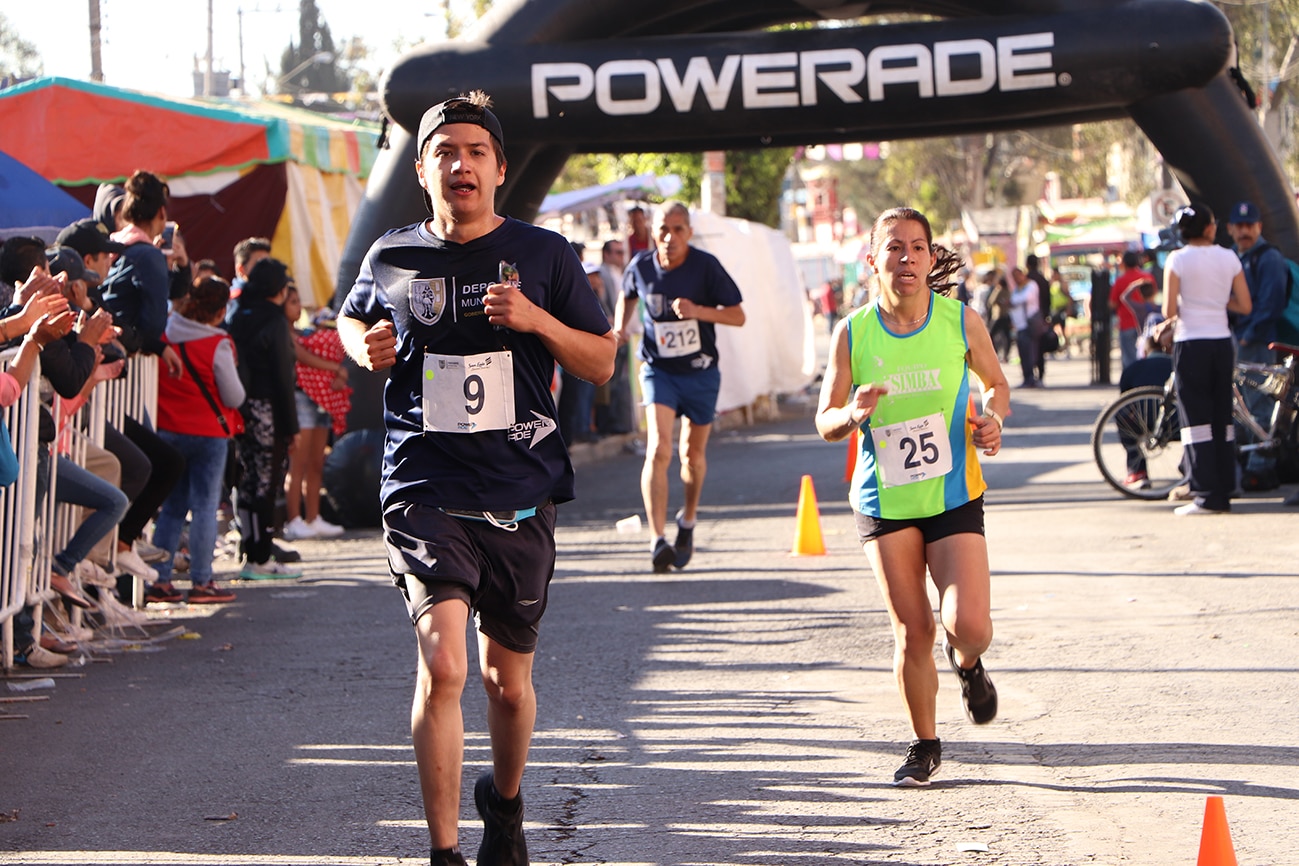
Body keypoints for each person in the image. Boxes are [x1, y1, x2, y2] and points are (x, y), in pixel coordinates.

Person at [336, 90, 615, 866]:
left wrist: (537, 321)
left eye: (475, 152)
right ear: (422, 169)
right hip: (423, 484)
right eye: (444, 152)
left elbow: (599, 360)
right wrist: (362, 344)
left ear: (497, 168)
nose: (460, 164)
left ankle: (507, 803)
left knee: (507, 685)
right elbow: (349, 316)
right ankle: (445, 852)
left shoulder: (545, 254)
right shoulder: (392, 254)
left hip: (518, 490)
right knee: (445, 662)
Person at [814, 206, 1010, 788]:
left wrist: (992, 419)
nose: (906, 258)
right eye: (894, 247)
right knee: (914, 630)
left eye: (918, 248)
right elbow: (824, 418)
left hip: (952, 494)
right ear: (873, 258)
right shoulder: (853, 331)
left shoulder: (960, 322)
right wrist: (852, 414)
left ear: (930, 259)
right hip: (883, 500)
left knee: (968, 625)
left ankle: (969, 664)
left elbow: (996, 384)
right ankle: (924, 744)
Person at [615, 201, 746, 573]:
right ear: (652, 231)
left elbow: (738, 315)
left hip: (701, 372)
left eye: (678, 229)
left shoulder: (705, 266)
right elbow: (626, 297)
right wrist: (619, 329)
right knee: (658, 448)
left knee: (693, 456)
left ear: (689, 232)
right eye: (663, 229)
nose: (670, 237)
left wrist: (698, 311)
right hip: (659, 370)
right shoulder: (640, 266)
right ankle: (657, 539)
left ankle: (687, 519)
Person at [149, 277, 245, 603]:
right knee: (205, 507)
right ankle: (202, 582)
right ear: (220, 311)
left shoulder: (164, 335)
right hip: (208, 433)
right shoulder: (218, 343)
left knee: (172, 508)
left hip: (167, 430)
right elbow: (234, 396)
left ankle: (159, 580)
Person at [1162, 203, 1252, 515]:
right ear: (1211, 228)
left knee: (1195, 421)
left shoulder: (1177, 259)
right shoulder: (1229, 258)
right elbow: (1245, 305)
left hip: (1190, 343)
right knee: (1221, 418)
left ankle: (1204, 494)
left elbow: (1169, 311)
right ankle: (1226, 488)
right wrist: (1217, 300)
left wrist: (1194, 301)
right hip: (1221, 342)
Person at [227, 257, 302, 579]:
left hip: (240, 406)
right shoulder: (274, 320)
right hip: (268, 408)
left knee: (248, 479)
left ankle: (249, 548)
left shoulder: (237, 314)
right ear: (279, 289)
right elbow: (284, 378)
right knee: (267, 482)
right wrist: (292, 426)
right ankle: (259, 556)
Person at [1225, 200, 1289, 489]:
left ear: (1259, 226)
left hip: (1260, 341)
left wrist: (1250, 334)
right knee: (1242, 408)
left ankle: (1261, 469)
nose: (1244, 231)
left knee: (1259, 405)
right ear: (1229, 229)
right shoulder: (1231, 257)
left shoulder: (1268, 257)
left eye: (1249, 225)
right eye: (1239, 226)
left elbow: (1271, 302)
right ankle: (1248, 464)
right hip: (1236, 339)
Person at [281, 286, 348, 541]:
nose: (298, 307)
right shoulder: (284, 333)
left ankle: (313, 516)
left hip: (320, 401)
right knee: (297, 463)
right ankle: (293, 519)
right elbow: (302, 357)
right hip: (300, 400)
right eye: (292, 302)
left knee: (317, 461)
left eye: (299, 301)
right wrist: (335, 368)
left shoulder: (306, 332)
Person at [557, 261, 606, 446]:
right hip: (570, 359)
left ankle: (581, 431)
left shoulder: (594, 296)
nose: (596, 280)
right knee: (570, 401)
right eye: (591, 275)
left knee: (584, 396)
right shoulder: (572, 296)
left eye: (596, 275)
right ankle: (569, 438)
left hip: (589, 357)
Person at [594, 239, 633, 436]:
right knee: (611, 382)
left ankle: (618, 421)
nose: (620, 256)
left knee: (620, 382)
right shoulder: (603, 274)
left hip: (623, 334)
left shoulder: (620, 273)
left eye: (622, 252)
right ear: (606, 254)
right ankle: (609, 423)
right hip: (611, 334)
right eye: (616, 252)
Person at [1110, 250, 1156, 372]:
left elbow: (1113, 303)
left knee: (1129, 361)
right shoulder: (1148, 277)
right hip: (1149, 325)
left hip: (1126, 324)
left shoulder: (1120, 281)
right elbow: (1154, 296)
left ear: (1123, 263)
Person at [1009, 266, 1042, 387]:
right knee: (1022, 353)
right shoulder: (1018, 288)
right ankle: (1026, 377)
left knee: (1030, 352)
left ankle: (1032, 378)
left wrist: (1013, 301)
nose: (1016, 279)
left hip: (1029, 324)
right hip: (1019, 325)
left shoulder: (1031, 285)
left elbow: (1025, 298)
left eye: (1018, 275)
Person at [1025, 254, 1052, 384]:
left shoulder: (1027, 280)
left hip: (1029, 317)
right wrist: (1047, 315)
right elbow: (1048, 299)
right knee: (1040, 346)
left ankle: (1030, 374)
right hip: (1041, 316)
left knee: (1029, 346)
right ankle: (1040, 374)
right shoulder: (1042, 279)